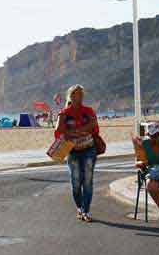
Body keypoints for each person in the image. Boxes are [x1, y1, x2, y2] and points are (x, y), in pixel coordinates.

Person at [55, 84, 100, 223]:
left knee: (87, 181)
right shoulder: (64, 113)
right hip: (73, 151)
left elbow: (94, 125)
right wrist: (77, 132)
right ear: (70, 96)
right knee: (76, 182)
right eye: (75, 94)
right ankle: (79, 208)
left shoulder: (88, 110)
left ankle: (86, 211)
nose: (79, 96)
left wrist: (74, 131)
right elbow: (58, 129)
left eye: (81, 94)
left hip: (89, 149)